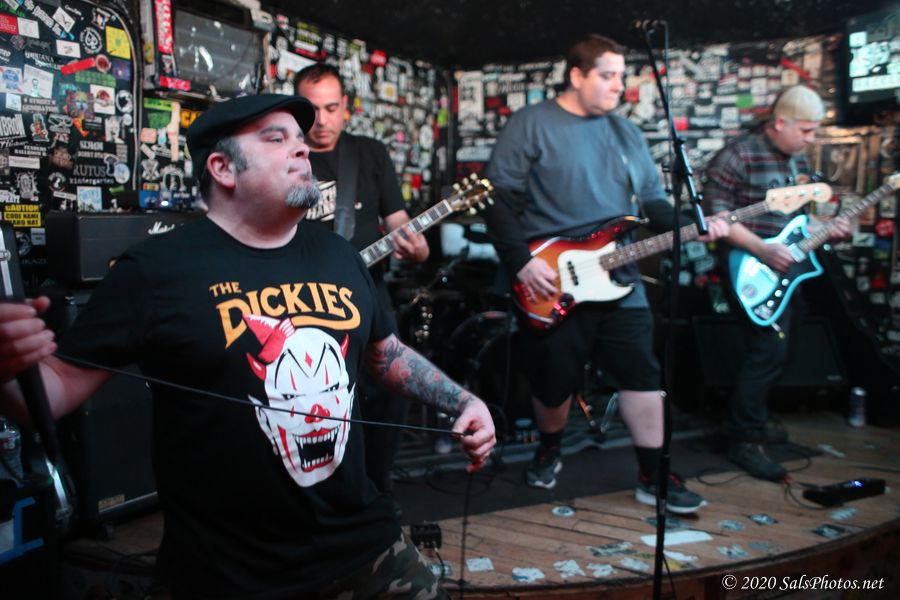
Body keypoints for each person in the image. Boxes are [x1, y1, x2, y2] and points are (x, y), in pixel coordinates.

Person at [0, 94, 495, 599]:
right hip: (227, 573)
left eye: (300, 140)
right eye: (276, 139)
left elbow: (384, 353)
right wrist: (6, 366)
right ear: (223, 168)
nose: (302, 149)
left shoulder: (338, 254)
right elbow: (53, 390)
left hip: (363, 545)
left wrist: (461, 401)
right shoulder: (156, 270)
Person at [483, 34, 728, 514]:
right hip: (551, 277)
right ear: (577, 75)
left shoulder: (626, 133)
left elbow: (653, 203)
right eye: (608, 75)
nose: (619, 85)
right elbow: (499, 198)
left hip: (621, 278)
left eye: (622, 76)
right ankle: (549, 448)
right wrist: (521, 261)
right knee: (552, 383)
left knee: (643, 376)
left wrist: (693, 226)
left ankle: (654, 474)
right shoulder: (531, 123)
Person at [703, 85, 852, 481]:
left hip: (786, 269)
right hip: (748, 268)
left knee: (782, 348)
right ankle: (744, 438)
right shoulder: (737, 156)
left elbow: (795, 222)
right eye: (805, 130)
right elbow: (716, 218)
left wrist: (827, 229)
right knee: (766, 350)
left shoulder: (794, 160)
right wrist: (761, 249)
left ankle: (750, 418)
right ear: (780, 123)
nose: (811, 139)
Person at [296, 63, 429, 499]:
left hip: (367, 292)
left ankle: (377, 489)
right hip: (299, 299)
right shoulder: (285, 154)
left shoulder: (369, 153)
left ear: (346, 108)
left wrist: (417, 247)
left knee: (390, 387)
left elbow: (399, 221)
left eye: (331, 108)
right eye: (312, 109)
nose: (322, 120)